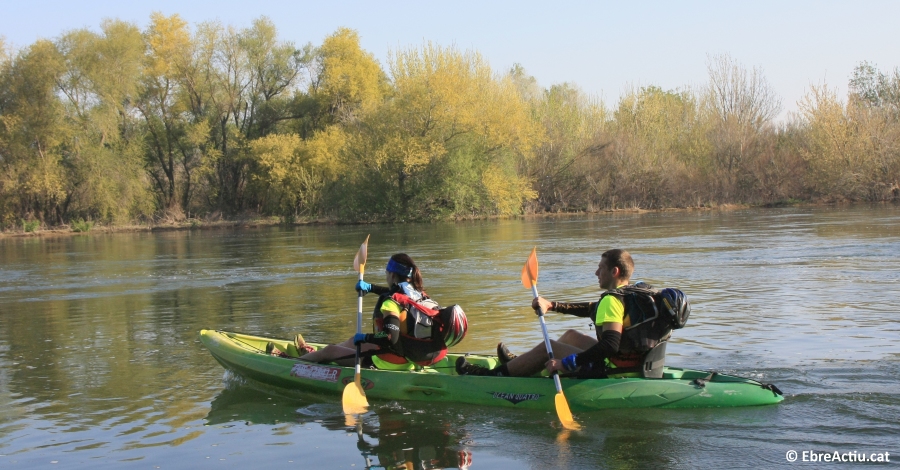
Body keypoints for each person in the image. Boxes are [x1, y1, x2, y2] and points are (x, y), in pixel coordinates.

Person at [456, 248, 649, 377]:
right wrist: (552, 305)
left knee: (547, 348)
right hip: (635, 364)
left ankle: (492, 376)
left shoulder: (612, 300)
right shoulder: (635, 294)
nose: (596, 273)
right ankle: (524, 363)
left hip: (614, 370)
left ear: (614, 271)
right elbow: (592, 309)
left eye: (600, 268)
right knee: (571, 336)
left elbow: (610, 346)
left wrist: (569, 362)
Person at [300, 253, 448, 370]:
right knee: (352, 341)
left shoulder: (391, 304)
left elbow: (389, 337)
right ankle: (314, 356)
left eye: (386, 273)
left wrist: (366, 337)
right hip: (412, 357)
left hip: (391, 362)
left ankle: (293, 363)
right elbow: (394, 294)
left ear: (392, 275)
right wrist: (370, 288)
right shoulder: (419, 295)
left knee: (330, 351)